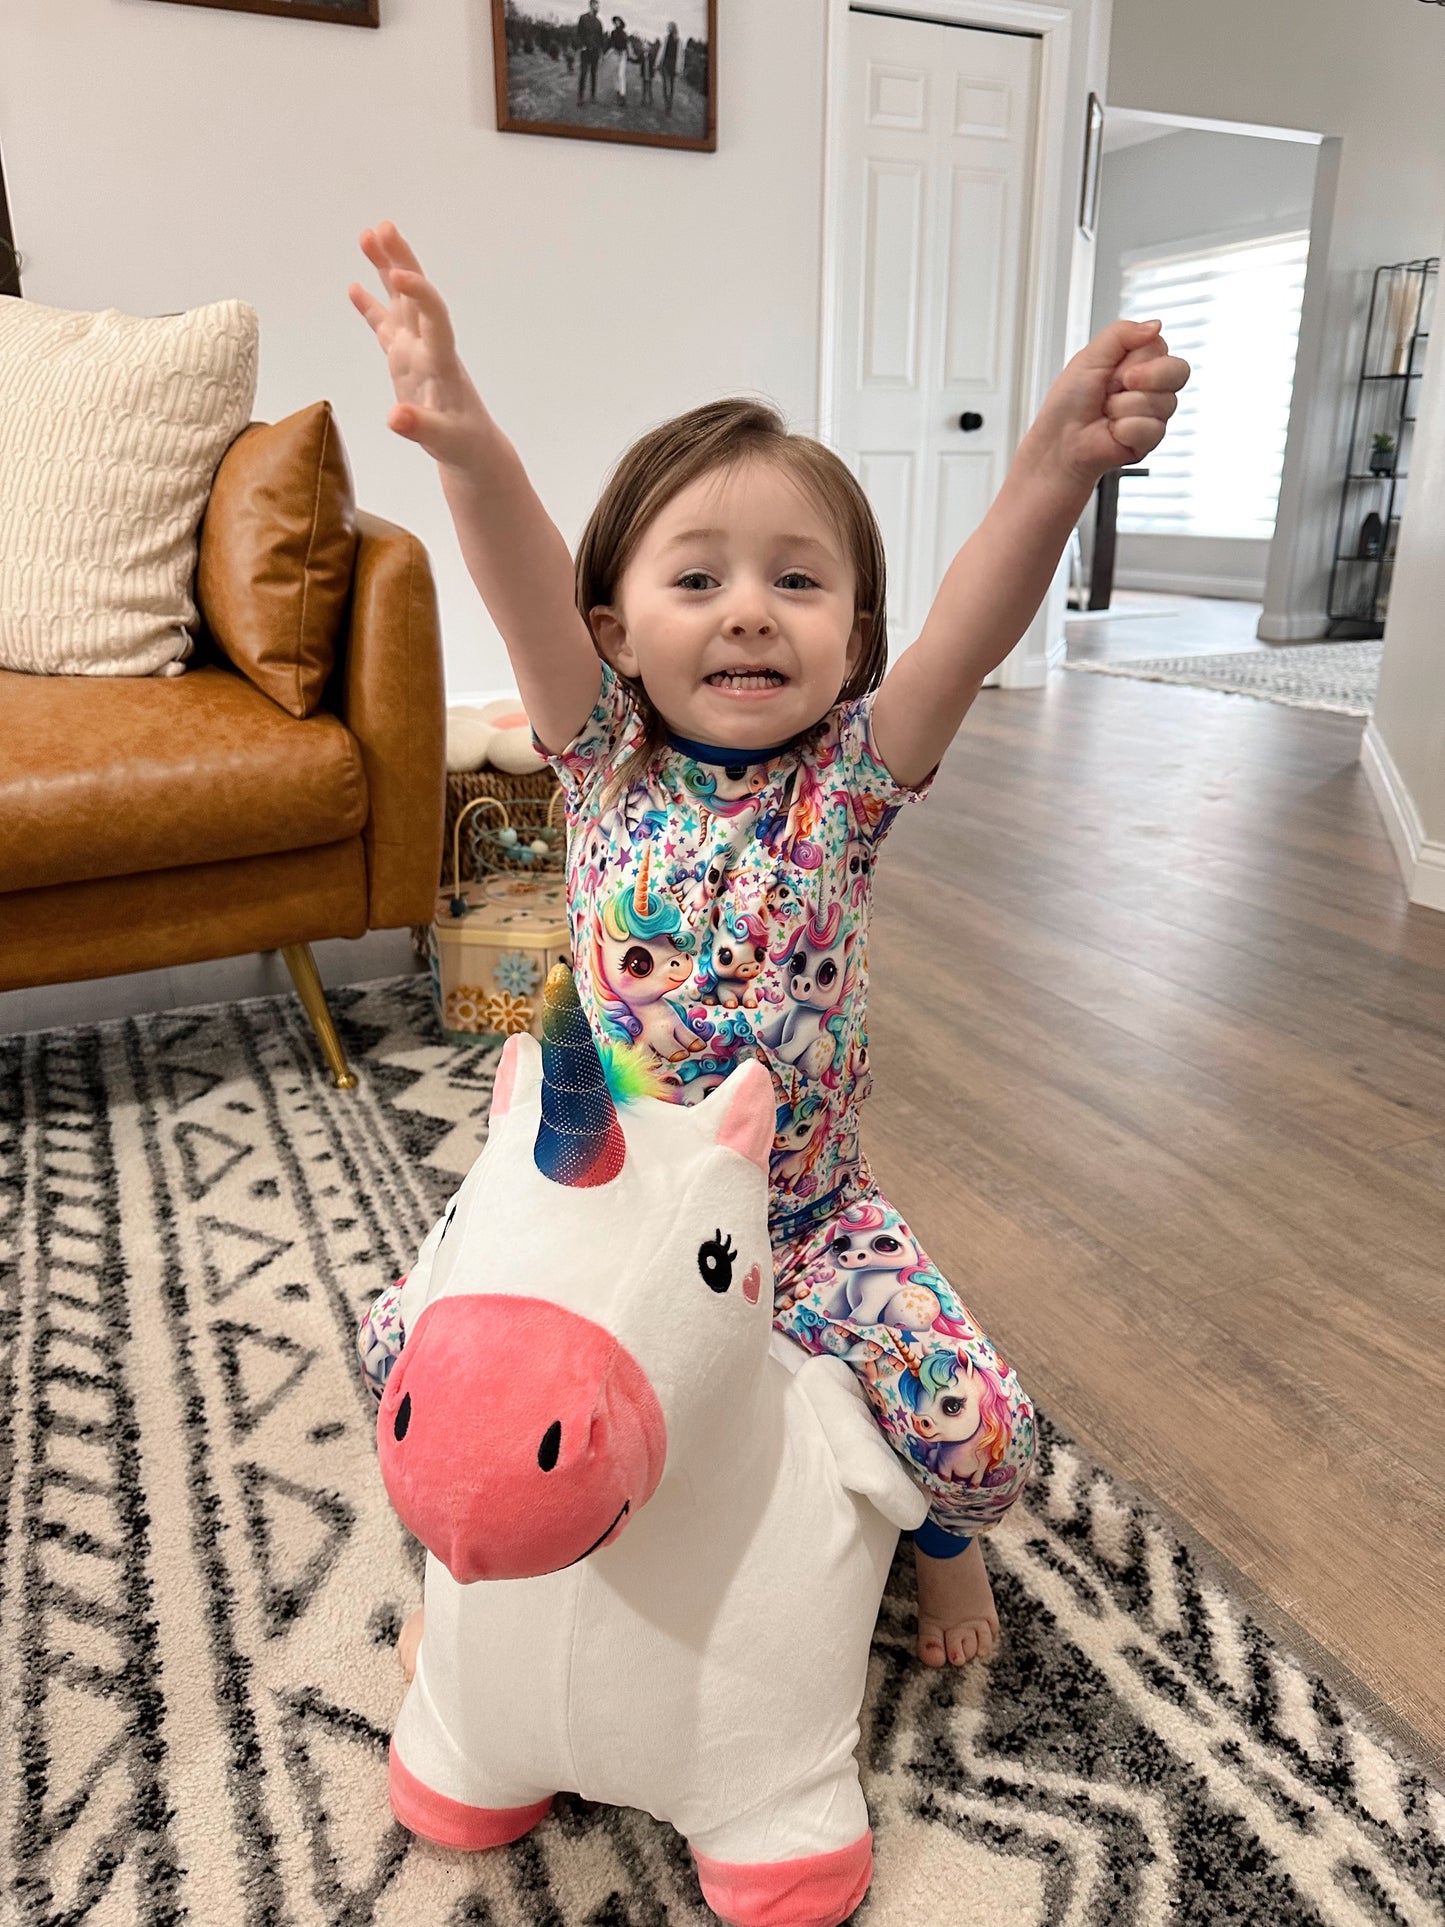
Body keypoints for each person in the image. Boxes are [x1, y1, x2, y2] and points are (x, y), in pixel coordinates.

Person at [348, 222, 1189, 1679]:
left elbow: (967, 633)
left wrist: (1056, 470)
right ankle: (472, 1563)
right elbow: (521, 577)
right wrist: (468, 441)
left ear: (855, 638)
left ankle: (938, 1540)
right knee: (405, 1353)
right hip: (588, 1198)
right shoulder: (600, 752)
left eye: (798, 582)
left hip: (799, 1214)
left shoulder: (851, 781)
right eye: (698, 580)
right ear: (614, 629)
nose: (748, 606)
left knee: (981, 1433)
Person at [575, 0, 603, 103]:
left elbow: (600, 39)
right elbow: (578, 34)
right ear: (591, 5)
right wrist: (581, 45)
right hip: (585, 50)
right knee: (583, 73)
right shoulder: (583, 18)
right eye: (596, 5)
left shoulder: (599, 22)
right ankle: (580, 97)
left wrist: (600, 52)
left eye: (598, 6)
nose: (598, 8)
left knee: (593, 74)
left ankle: (593, 96)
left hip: (595, 52)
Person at [658, 19, 679, 113]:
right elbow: (661, 52)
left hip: (673, 65)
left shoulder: (678, 40)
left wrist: (679, 68)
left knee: (670, 85)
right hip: (666, 64)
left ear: (672, 28)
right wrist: (658, 63)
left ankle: (669, 105)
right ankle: (667, 104)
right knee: (666, 85)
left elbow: (680, 56)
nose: (668, 28)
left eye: (669, 27)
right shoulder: (666, 38)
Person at [608, 14, 629, 102]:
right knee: (615, 73)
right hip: (615, 53)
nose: (617, 23)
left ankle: (622, 94)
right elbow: (611, 44)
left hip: (623, 54)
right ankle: (617, 90)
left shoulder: (624, 34)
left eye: (618, 21)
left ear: (621, 23)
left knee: (621, 74)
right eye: (615, 21)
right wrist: (607, 54)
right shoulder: (613, 33)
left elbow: (626, 46)